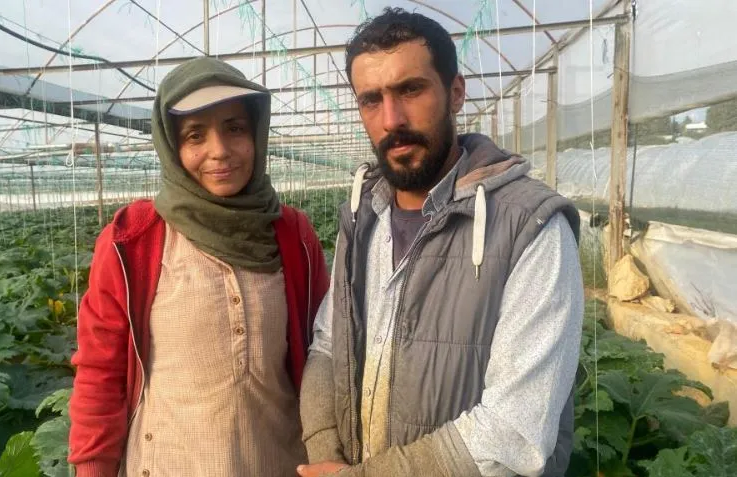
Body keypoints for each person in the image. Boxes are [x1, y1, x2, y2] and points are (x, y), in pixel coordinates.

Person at [297, 7, 584, 477]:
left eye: (410, 89)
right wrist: (325, 450)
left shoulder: (531, 228)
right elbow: (329, 345)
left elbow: (514, 434)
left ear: (455, 93)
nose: (391, 119)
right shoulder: (363, 216)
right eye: (371, 100)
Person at [68, 57, 330, 477]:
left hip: (279, 463)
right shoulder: (133, 241)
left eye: (235, 128)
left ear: (256, 133)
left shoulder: (293, 234)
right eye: (195, 135)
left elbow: (324, 355)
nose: (219, 150)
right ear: (172, 147)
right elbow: (100, 374)